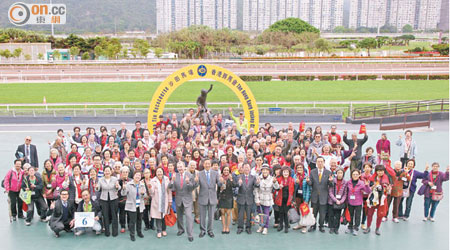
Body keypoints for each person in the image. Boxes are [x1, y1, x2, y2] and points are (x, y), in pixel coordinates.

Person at [168, 161, 198, 242]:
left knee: (189, 216)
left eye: (181, 167)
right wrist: (172, 181)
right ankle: (181, 229)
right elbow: (171, 188)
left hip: (187, 199)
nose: (180, 168)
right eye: (178, 167)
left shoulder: (190, 175)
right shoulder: (175, 175)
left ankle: (190, 234)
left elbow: (192, 187)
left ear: (184, 167)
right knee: (179, 216)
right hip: (178, 199)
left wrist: (188, 183)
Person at [197, 159, 222, 238]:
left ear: (210, 165)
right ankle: (202, 230)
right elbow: (195, 184)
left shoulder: (215, 173)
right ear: (203, 165)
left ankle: (210, 230)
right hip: (202, 197)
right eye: (206, 164)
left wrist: (222, 182)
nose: (207, 165)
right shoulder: (199, 174)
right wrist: (195, 181)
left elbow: (219, 184)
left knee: (211, 216)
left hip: (212, 197)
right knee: (202, 216)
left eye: (208, 163)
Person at [364, 165, 391, 235]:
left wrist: (387, 189)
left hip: (381, 199)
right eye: (379, 171)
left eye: (382, 171)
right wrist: (372, 187)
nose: (380, 172)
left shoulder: (386, 179)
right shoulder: (372, 178)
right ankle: (368, 227)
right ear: (376, 171)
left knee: (380, 214)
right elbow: (369, 188)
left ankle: (377, 228)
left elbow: (388, 191)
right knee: (370, 213)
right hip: (373, 198)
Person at [307, 157, 332, 232]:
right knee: (313, 213)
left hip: (323, 197)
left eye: (321, 162)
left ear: (324, 163)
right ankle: (312, 225)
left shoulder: (328, 172)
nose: (320, 163)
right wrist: (308, 181)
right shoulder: (312, 172)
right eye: (318, 162)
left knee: (322, 214)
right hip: (314, 196)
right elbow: (311, 183)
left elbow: (330, 184)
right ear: (316, 163)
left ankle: (321, 226)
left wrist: (331, 181)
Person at [234, 163, 259, 234]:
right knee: (240, 215)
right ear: (242, 168)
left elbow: (256, 185)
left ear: (250, 168)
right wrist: (239, 183)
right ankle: (240, 227)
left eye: (248, 167)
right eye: (245, 167)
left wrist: (257, 183)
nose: (246, 169)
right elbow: (235, 185)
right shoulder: (239, 176)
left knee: (249, 215)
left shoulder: (253, 177)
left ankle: (248, 227)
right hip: (241, 198)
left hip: (249, 198)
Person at [96, 166, 120, 237]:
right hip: (104, 199)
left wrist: (117, 186)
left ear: (111, 171)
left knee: (114, 215)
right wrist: (97, 187)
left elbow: (118, 188)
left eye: (108, 171)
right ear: (103, 172)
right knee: (105, 215)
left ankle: (115, 232)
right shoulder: (100, 180)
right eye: (105, 171)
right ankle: (107, 231)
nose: (107, 172)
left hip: (114, 198)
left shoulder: (115, 179)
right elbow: (98, 188)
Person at [121, 171, 146, 241]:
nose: (138, 177)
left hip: (140, 205)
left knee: (139, 220)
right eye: (136, 175)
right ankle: (132, 234)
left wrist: (143, 193)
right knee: (132, 221)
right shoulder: (128, 184)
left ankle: (139, 232)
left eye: (139, 175)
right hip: (132, 205)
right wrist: (123, 188)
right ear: (133, 176)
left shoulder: (142, 184)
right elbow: (123, 194)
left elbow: (145, 195)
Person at [345, 169, 370, 236]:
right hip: (350, 202)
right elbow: (346, 191)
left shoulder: (362, 183)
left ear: (359, 175)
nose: (355, 176)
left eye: (356, 174)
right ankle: (350, 227)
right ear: (351, 175)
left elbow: (368, 191)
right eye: (354, 174)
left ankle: (356, 228)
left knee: (357, 216)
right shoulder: (348, 182)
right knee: (350, 215)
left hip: (358, 203)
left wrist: (367, 186)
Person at [149, 167, 172, 238]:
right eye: (158, 172)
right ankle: (159, 231)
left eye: (160, 171)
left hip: (165, 200)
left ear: (163, 172)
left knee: (164, 216)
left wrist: (170, 200)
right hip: (156, 201)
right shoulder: (153, 181)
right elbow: (151, 193)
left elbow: (169, 191)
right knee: (158, 216)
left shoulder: (166, 179)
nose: (159, 173)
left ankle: (164, 230)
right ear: (155, 173)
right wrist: (150, 188)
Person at [292, 163, 311, 233]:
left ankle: (304, 226)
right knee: (298, 210)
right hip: (297, 196)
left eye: (301, 168)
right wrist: (296, 183)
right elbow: (293, 187)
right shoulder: (294, 176)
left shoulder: (306, 177)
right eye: (298, 168)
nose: (299, 169)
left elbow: (309, 189)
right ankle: (300, 224)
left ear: (303, 169)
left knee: (304, 211)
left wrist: (307, 199)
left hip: (304, 196)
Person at [274, 166, 295, 233]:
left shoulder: (292, 180)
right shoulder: (279, 179)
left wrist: (293, 200)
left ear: (289, 173)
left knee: (285, 213)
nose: (285, 173)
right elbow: (276, 189)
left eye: (287, 172)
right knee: (280, 212)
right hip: (280, 199)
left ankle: (286, 226)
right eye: (284, 172)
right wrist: (278, 187)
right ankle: (281, 225)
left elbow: (293, 191)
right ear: (282, 172)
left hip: (288, 199)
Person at [328, 167, 347, 234]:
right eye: (338, 173)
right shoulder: (332, 181)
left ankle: (336, 228)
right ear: (336, 174)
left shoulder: (345, 182)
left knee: (337, 216)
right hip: (332, 201)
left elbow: (345, 194)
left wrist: (341, 201)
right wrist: (335, 200)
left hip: (340, 203)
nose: (339, 174)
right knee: (331, 215)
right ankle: (331, 227)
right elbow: (330, 192)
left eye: (341, 173)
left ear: (343, 174)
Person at [217, 165, 234, 234]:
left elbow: (235, 185)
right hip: (222, 198)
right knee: (223, 214)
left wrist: (231, 179)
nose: (226, 171)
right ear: (222, 171)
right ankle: (224, 227)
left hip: (229, 197)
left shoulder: (231, 178)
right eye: (224, 170)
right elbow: (218, 189)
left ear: (229, 171)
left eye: (227, 170)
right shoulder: (220, 178)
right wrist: (217, 197)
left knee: (228, 214)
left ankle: (227, 227)